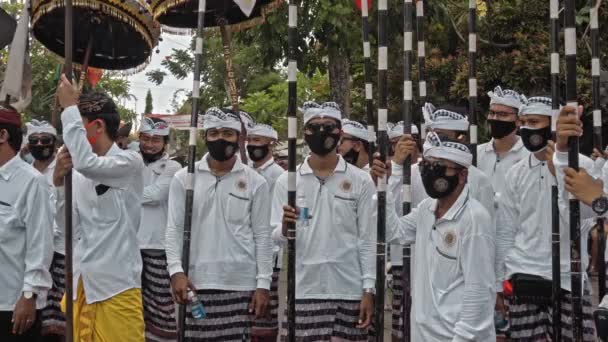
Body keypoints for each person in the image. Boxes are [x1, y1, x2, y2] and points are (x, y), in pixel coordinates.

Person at [371, 132, 496, 342]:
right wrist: (386, 183)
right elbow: (394, 233)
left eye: (438, 168)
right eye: (425, 167)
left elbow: (479, 291)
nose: (429, 173)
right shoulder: (426, 209)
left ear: (462, 175)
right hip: (422, 333)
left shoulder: (474, 219)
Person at [166, 107, 272, 341]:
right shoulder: (184, 178)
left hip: (240, 284)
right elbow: (173, 229)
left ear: (238, 138)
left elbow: (262, 236)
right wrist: (176, 272)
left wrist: (263, 283)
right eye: (213, 133)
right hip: (195, 284)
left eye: (227, 133)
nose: (220, 138)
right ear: (205, 137)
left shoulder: (256, 182)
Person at [274, 101, 376, 341]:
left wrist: (368, 289)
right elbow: (274, 236)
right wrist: (286, 228)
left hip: (350, 291)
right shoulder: (287, 182)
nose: (322, 132)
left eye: (329, 126)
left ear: (340, 132)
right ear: (304, 133)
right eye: (314, 126)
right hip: (304, 291)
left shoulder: (361, 181)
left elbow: (368, 239)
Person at [54, 75, 146, 341]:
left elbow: (88, 165)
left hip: (116, 287)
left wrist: (70, 108)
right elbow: (67, 228)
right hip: (82, 283)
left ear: (97, 127)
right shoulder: (79, 170)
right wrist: (59, 184)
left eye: (77, 127)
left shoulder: (129, 162)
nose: (73, 137)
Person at [497, 97, 596, 340]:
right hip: (524, 275)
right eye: (523, 122)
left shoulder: (582, 166)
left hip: (567, 275)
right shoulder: (515, 173)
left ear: (552, 126)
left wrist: (558, 174)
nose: (526, 128)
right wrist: (500, 279)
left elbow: (580, 218)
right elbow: (506, 229)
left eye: (534, 121)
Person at [0, 106, 53, 341]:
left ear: (3, 135)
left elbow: (40, 244)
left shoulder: (32, 182)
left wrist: (29, 295)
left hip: (13, 304)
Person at [136, 117, 181, 340]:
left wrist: (126, 193)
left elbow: (156, 195)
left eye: (156, 140)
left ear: (165, 143)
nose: (150, 144)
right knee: (133, 305)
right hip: (129, 247)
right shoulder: (130, 162)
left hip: (157, 247)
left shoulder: (173, 167)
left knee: (160, 307)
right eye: (145, 138)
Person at [24, 119, 65, 340]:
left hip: (58, 251)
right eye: (34, 140)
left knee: (55, 319)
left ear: (54, 142)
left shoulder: (63, 170)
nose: (40, 144)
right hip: (29, 250)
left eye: (45, 140)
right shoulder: (25, 171)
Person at [246, 122, 284, 342]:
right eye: (250, 140)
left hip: (269, 252)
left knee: (264, 313)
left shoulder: (278, 175)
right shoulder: (245, 171)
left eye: (258, 140)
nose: (253, 145)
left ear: (271, 144)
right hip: (245, 251)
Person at [386, 121, 421, 342]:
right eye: (395, 144)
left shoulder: (428, 168)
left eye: (405, 142)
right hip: (401, 258)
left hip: (427, 257)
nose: (401, 148)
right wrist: (397, 168)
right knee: (400, 325)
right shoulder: (393, 170)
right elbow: (389, 209)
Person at [477, 86, 529, 198]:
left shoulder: (529, 156)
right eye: (492, 113)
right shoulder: (476, 154)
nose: (495, 118)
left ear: (518, 120)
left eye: (503, 114)